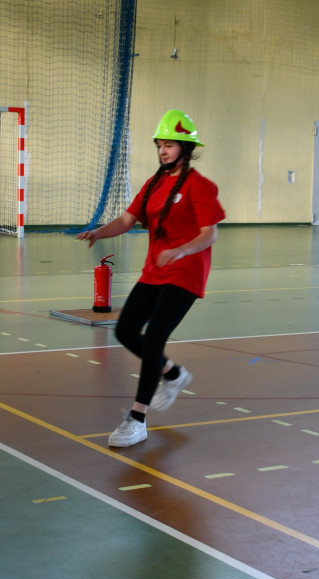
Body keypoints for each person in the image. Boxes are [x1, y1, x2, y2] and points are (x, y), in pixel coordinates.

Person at [77, 109, 225, 448]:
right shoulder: (154, 184)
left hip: (185, 273)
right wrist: (98, 232)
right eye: (160, 144)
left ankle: (137, 419)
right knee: (125, 330)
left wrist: (181, 251)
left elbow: (209, 234)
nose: (162, 150)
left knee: (155, 335)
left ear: (185, 148)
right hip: (154, 271)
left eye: (169, 144)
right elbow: (128, 220)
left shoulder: (200, 186)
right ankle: (172, 374)